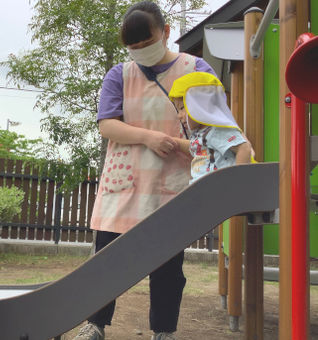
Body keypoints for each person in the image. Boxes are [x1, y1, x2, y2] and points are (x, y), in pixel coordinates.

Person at [72, 2, 217, 340]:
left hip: (172, 181)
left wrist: (182, 137)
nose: (140, 53)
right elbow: (107, 125)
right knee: (106, 258)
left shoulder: (195, 67)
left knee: (167, 264)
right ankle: (94, 323)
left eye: (146, 44)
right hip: (124, 180)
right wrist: (150, 137)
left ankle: (163, 331)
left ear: (166, 33)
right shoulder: (119, 75)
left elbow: (212, 126)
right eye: (133, 48)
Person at [169, 72, 252, 182]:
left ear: (200, 105)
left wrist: (238, 181)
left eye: (182, 108)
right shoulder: (202, 132)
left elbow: (244, 148)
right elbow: (198, 147)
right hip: (204, 191)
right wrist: (176, 143)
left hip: (218, 190)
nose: (179, 115)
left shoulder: (217, 130)